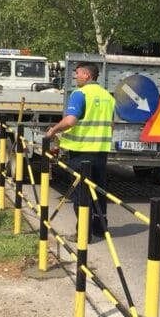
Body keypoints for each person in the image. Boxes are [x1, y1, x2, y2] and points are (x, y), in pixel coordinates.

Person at [44, 61, 115, 241]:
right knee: (99, 191)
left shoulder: (80, 94)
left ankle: (83, 235)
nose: (75, 77)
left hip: (82, 153)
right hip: (101, 151)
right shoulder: (108, 96)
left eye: (77, 74)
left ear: (86, 75)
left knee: (81, 194)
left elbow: (70, 121)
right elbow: (111, 125)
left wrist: (53, 131)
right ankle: (100, 229)